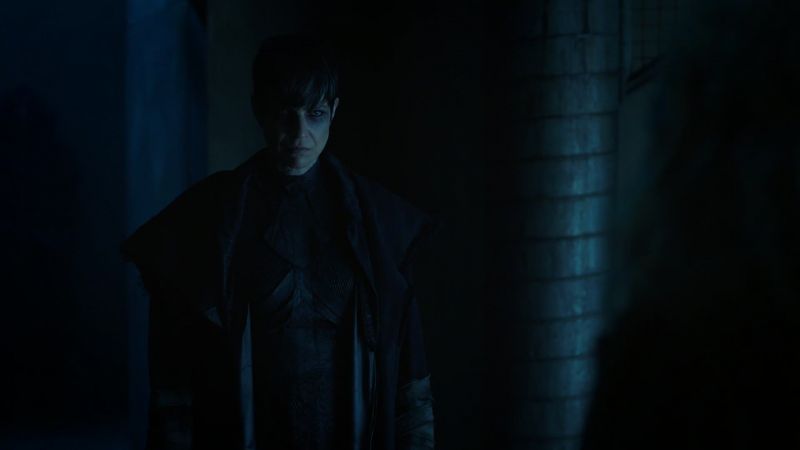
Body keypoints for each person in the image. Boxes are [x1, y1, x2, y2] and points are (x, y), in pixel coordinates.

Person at [122, 34, 435, 450]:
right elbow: (173, 387)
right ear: (259, 110)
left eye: (315, 114)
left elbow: (410, 382)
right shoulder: (208, 219)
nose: (299, 133)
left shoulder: (380, 223)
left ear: (333, 112)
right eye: (285, 114)